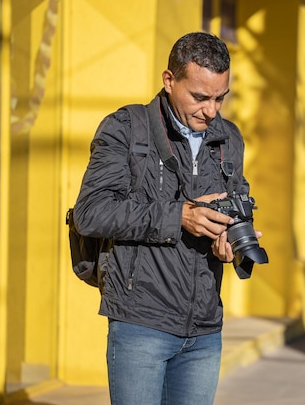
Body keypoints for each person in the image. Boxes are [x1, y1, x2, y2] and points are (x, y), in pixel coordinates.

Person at [73, 32, 257, 405]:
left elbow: (239, 201)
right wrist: (179, 217)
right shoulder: (126, 128)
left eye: (220, 97)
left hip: (206, 327)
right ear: (169, 81)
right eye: (200, 97)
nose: (212, 111)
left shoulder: (229, 138)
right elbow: (90, 213)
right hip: (141, 324)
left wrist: (231, 243)